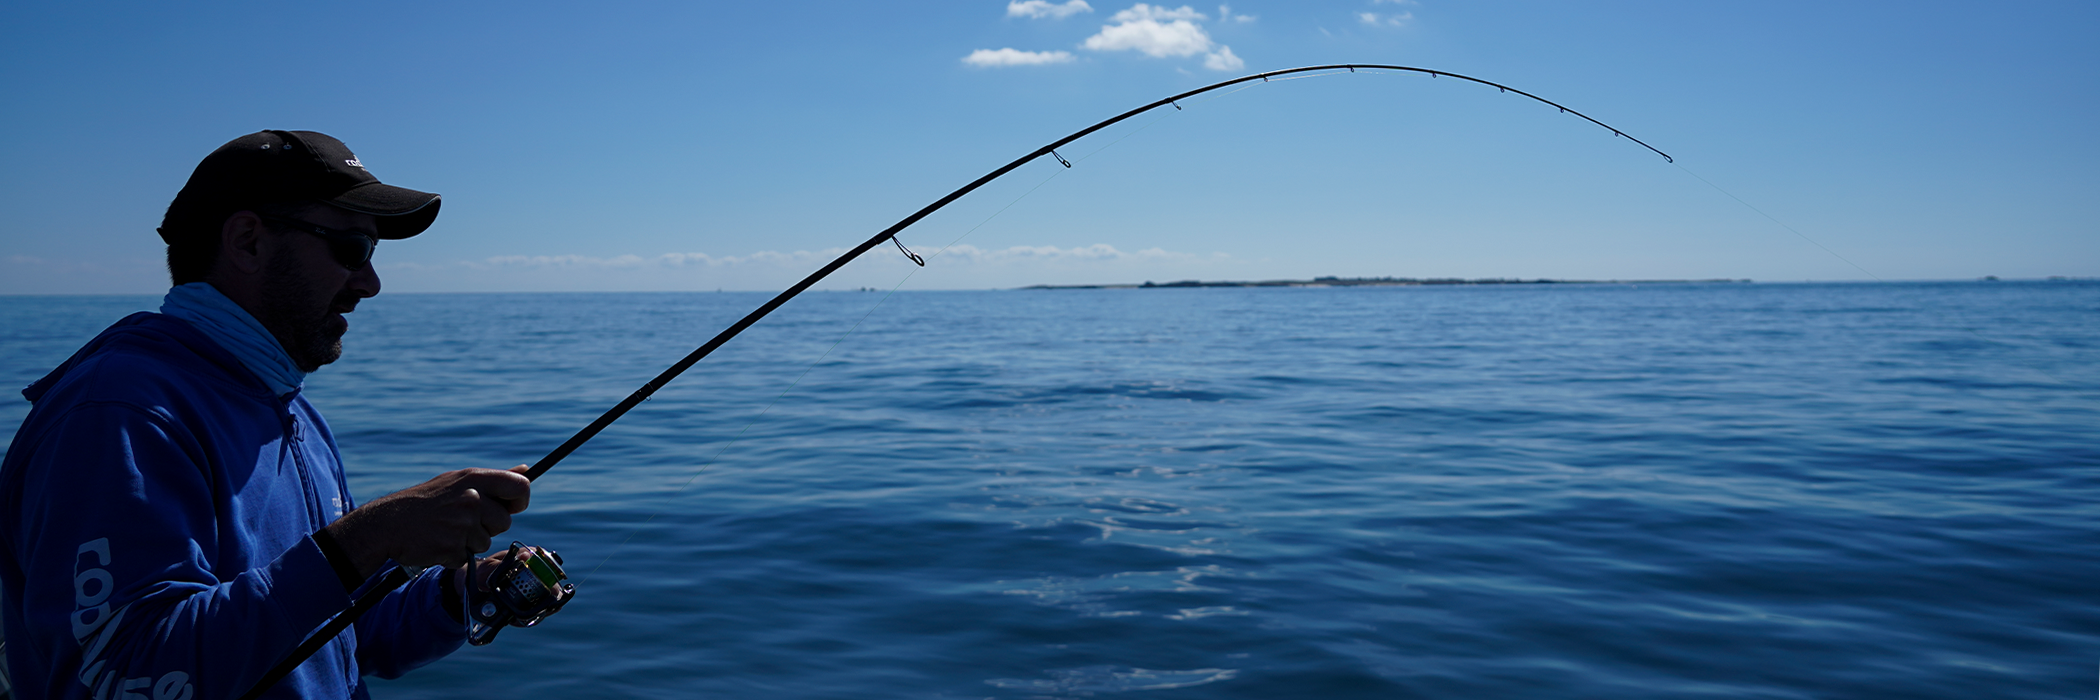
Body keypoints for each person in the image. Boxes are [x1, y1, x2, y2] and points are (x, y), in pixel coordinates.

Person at [0, 131, 536, 699]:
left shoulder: (291, 410)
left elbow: (337, 630)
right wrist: (369, 538)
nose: (371, 283)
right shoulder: (119, 416)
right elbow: (131, 671)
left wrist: (460, 591)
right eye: (352, 248)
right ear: (249, 241)